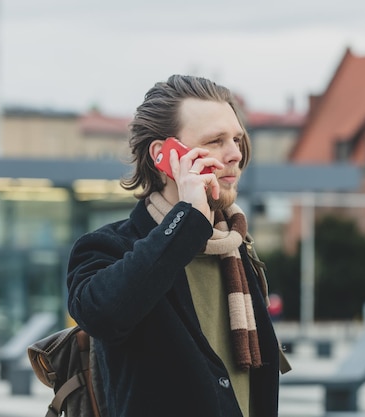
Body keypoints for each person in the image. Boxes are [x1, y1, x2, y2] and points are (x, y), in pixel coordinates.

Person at [66, 74, 290, 417]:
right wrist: (187, 220)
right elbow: (102, 316)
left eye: (238, 140)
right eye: (216, 141)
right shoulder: (107, 248)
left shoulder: (236, 247)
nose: (235, 155)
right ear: (164, 156)